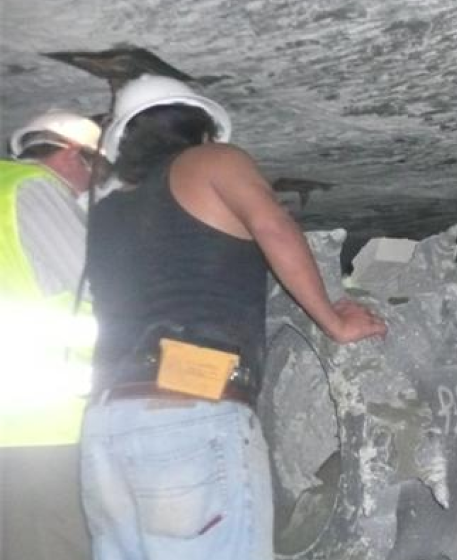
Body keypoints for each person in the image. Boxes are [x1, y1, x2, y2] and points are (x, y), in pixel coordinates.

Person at [80, 74, 387, 560]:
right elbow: (273, 226)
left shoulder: (108, 210)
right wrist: (334, 319)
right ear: (202, 128)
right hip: (189, 413)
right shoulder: (213, 162)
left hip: (107, 425)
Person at [0, 110, 102, 560]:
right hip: (46, 428)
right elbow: (93, 288)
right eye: (97, 169)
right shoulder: (34, 188)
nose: (93, 185)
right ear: (72, 155)